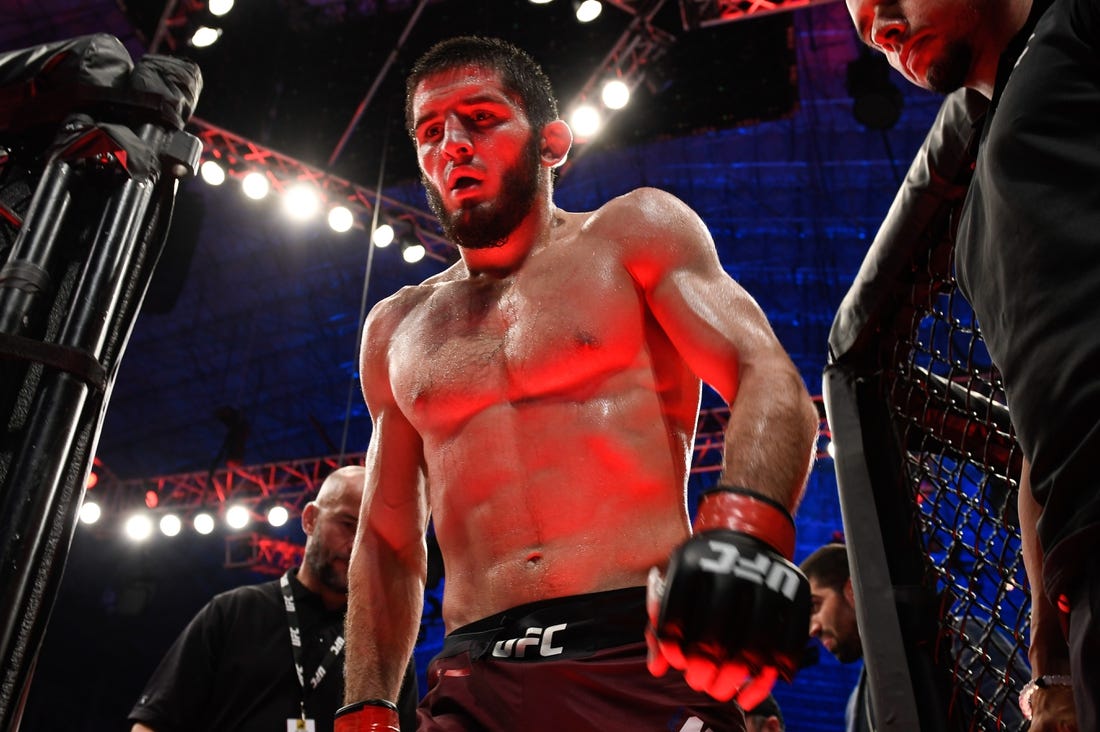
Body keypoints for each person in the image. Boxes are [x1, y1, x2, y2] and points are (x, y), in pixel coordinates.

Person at [336, 35, 820, 732]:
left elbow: (765, 375)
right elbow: (386, 539)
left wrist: (741, 536)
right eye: (431, 132)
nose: (454, 145)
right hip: (474, 677)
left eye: (480, 118)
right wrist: (367, 705)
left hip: (640, 650)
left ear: (551, 143)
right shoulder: (397, 327)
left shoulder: (633, 234)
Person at [842, 0, 1097, 728]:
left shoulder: (1073, 24)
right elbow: (1033, 435)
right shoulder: (972, 227)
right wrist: (1051, 655)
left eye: (890, 0)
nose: (884, 30)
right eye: (867, 31)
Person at [127, 465, 419, 732]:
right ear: (309, 519)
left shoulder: (387, 645)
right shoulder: (234, 611)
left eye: (369, 534)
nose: (356, 544)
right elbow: (154, 722)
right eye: (347, 523)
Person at [800, 543, 871, 732]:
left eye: (815, 606)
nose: (813, 630)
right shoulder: (856, 704)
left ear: (852, 591)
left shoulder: (950, 650)